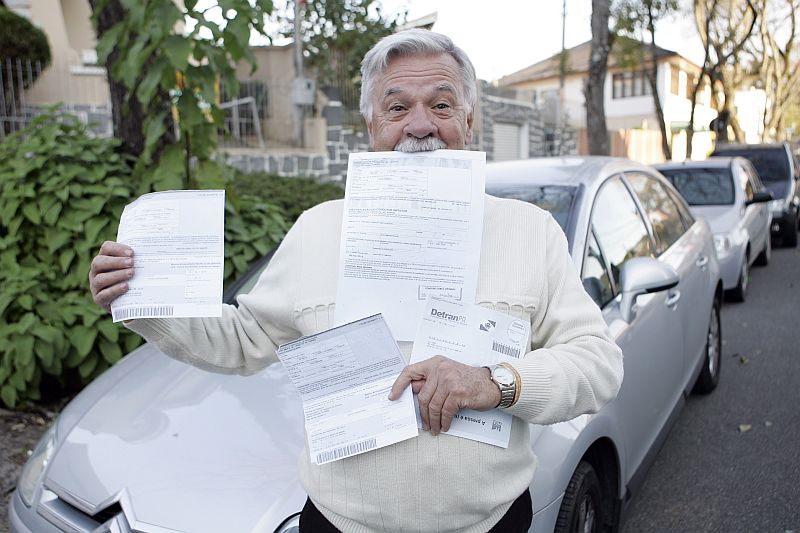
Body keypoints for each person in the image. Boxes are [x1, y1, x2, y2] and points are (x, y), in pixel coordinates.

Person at [89, 29, 623, 533]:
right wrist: (144, 297)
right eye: (397, 107)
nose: (420, 125)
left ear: (469, 119)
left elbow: (597, 363)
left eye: (440, 104)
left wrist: (495, 381)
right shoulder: (320, 228)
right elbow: (244, 339)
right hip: (338, 524)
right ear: (371, 128)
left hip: (490, 523)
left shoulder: (529, 231)